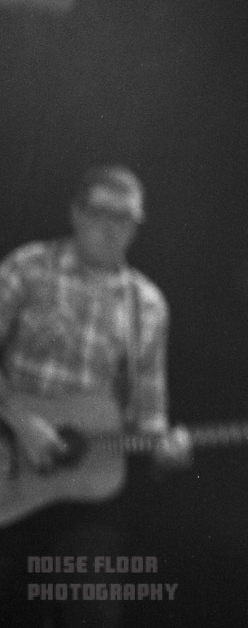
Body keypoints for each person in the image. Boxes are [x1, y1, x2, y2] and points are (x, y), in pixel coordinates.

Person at [0, 164, 190, 627]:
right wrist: (21, 421)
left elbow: (148, 418)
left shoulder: (147, 304)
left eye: (126, 218)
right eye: (102, 213)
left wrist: (166, 451)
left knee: (93, 611)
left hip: (87, 494)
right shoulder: (28, 267)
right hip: (8, 465)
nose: (113, 228)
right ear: (76, 213)